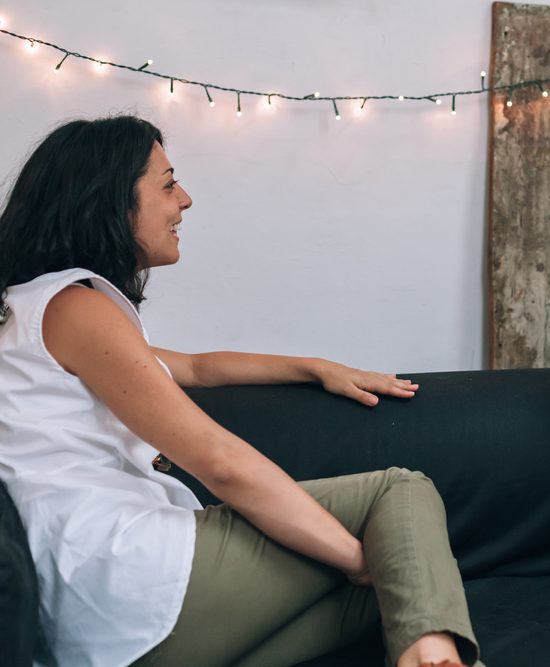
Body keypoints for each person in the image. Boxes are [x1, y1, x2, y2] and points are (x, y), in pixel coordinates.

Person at [0, 115, 481, 667]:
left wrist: (314, 366)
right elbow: (220, 461)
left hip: (94, 624)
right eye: (166, 182)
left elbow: (196, 368)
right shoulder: (74, 307)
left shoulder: (31, 308)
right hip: (124, 579)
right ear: (107, 199)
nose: (185, 199)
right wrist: (356, 555)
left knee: (400, 598)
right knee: (399, 492)